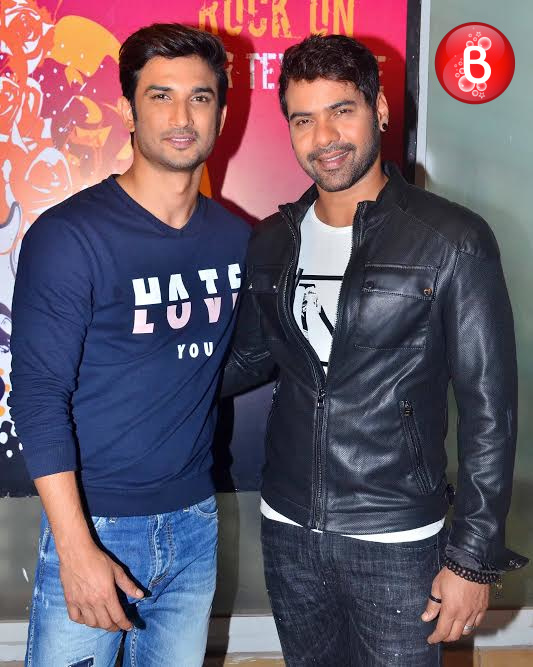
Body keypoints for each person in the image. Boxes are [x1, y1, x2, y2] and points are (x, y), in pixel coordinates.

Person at [222, 34, 527, 666]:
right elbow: (248, 359)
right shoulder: (272, 241)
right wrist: (138, 371)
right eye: (303, 119)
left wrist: (472, 557)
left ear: (380, 109)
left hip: (398, 535)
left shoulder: (450, 239)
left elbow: (489, 411)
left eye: (342, 110)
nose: (324, 136)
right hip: (288, 527)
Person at [9, 23, 249, 667]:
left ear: (222, 115)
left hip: (195, 525)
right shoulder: (70, 236)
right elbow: (37, 397)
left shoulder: (237, 241)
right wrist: (76, 548)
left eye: (199, 98)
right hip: (97, 525)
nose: (181, 117)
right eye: (160, 96)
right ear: (127, 109)